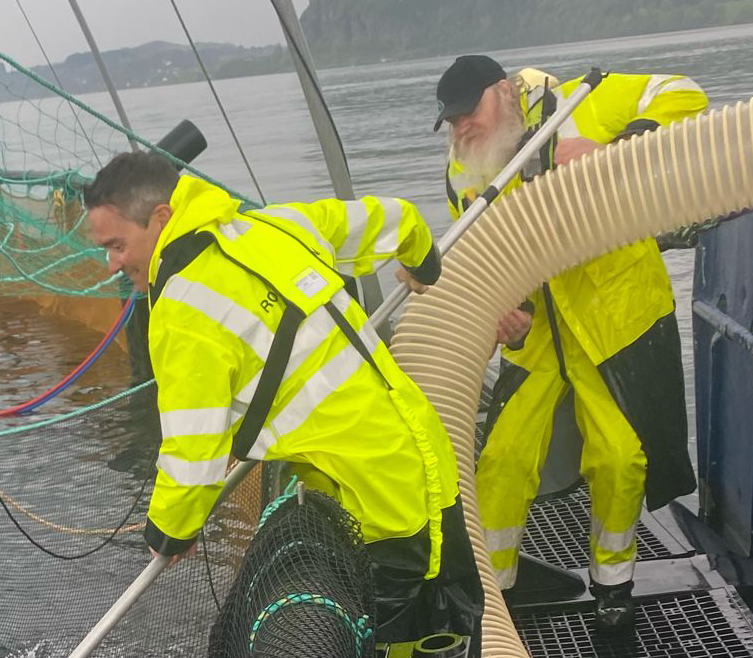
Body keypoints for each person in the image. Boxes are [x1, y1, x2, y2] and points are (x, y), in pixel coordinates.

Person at [83, 151, 481, 654]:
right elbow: (397, 218)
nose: (111, 264)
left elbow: (193, 451)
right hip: (423, 458)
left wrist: (168, 533)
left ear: (161, 218)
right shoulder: (272, 226)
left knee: (396, 642)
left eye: (117, 245)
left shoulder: (182, 310)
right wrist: (423, 259)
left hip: (379, 508)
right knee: (451, 625)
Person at [434, 54, 707, 628]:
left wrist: (621, 149)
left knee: (619, 457)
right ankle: (497, 598)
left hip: (613, 319)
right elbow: (476, 249)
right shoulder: (464, 165)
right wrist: (499, 305)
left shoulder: (586, 101)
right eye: (452, 120)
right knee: (501, 459)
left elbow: (683, 94)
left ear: (503, 92)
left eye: (469, 112)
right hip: (537, 334)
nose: (462, 128)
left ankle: (614, 586)